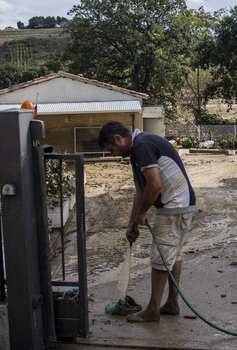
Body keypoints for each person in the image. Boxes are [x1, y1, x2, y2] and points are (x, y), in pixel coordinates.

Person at [98, 122, 197, 323]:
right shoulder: (137, 151)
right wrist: (132, 222)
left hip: (174, 206)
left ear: (119, 139)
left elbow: (154, 184)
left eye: (112, 149)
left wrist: (142, 214)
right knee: (173, 254)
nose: (113, 154)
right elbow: (140, 191)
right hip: (180, 205)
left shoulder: (142, 145)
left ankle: (153, 309)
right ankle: (171, 303)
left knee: (160, 258)